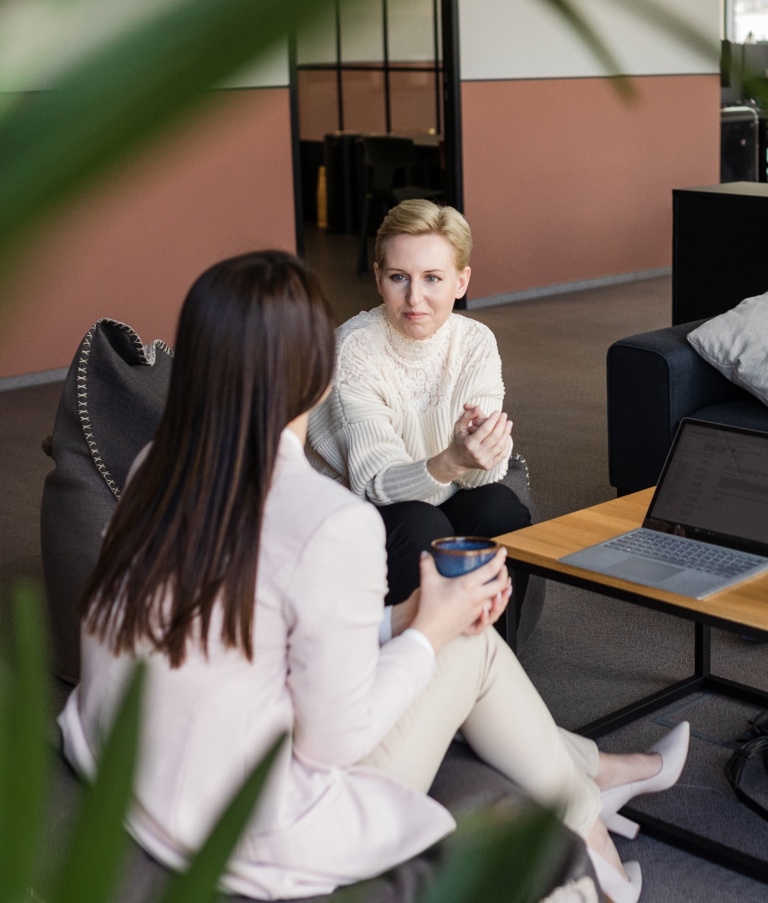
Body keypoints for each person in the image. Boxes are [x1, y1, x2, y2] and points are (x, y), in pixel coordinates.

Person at [58, 250, 689, 903]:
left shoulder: (158, 466)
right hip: (255, 830)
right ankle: (591, 837)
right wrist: (432, 633)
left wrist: (405, 615)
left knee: (443, 623)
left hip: (133, 769)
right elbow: (338, 740)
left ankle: (596, 775)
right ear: (319, 377)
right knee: (470, 643)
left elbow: (243, 628)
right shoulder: (328, 520)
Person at [307, 199, 532, 632]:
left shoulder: (475, 342)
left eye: (432, 278)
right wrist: (453, 460)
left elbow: (486, 474)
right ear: (378, 278)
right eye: (399, 278)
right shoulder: (353, 350)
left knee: (500, 509)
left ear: (461, 281)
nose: (415, 299)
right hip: (354, 506)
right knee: (421, 524)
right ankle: (426, 671)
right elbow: (376, 486)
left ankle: (496, 658)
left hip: (433, 489)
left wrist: (483, 453)